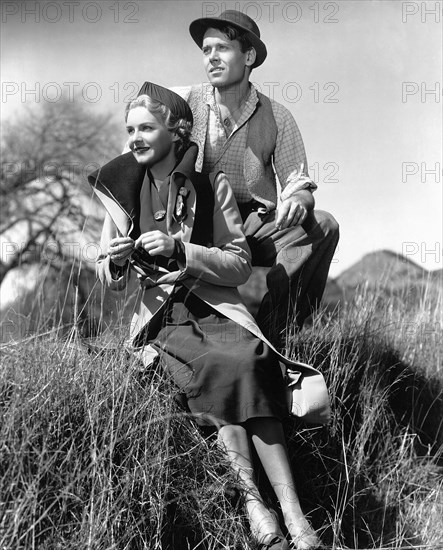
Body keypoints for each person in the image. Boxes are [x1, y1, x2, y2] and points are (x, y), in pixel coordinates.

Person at [89, 82, 329, 549]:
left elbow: (238, 264)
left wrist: (183, 249)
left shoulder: (209, 185)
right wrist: (115, 260)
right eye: (130, 129)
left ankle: (295, 516)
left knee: (251, 359)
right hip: (162, 318)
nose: (134, 138)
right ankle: (255, 504)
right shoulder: (118, 192)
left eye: (145, 128)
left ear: (177, 132)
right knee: (222, 367)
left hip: (217, 306)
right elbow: (109, 278)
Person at [171, 10, 340, 348]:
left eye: (223, 48)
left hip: (250, 223)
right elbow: (141, 150)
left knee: (323, 226)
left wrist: (298, 200)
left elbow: (298, 184)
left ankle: (275, 335)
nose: (212, 58)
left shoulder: (278, 115)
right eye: (206, 50)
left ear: (248, 56)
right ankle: (162, 332)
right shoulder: (182, 102)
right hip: (190, 218)